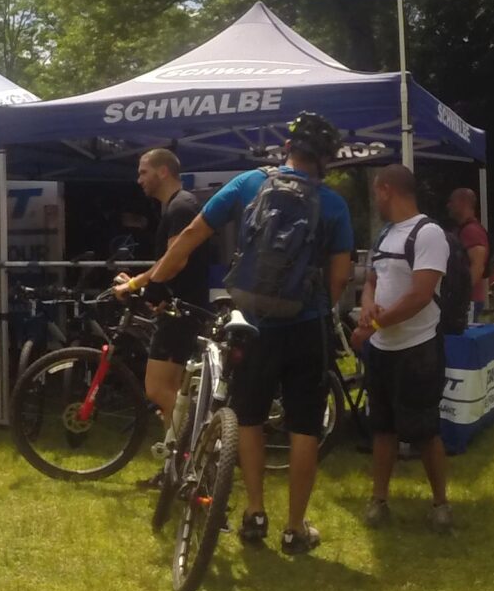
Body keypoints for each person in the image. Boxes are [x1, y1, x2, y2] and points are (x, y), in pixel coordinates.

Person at [127, 112, 356, 556]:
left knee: (248, 418)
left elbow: (191, 235)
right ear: (325, 159)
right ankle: (294, 528)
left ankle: (254, 512)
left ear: (286, 149)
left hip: (250, 324)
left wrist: (154, 283)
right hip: (306, 326)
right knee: (304, 427)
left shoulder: (250, 183)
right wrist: (318, 306)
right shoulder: (332, 205)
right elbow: (340, 277)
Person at [356, 164, 454, 534]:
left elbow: (419, 296)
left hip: (417, 349)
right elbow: (372, 279)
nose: (375, 199)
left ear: (385, 190)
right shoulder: (384, 235)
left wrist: (374, 326)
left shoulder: (428, 233)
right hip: (382, 348)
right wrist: (368, 306)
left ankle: (440, 504)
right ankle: (378, 500)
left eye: (376, 192)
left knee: (425, 430)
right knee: (381, 427)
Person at [113, 148, 209, 442]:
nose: (139, 179)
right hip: (177, 306)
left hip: (182, 311)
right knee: (173, 392)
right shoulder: (176, 206)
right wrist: (143, 285)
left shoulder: (181, 208)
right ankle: (175, 468)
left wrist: (134, 286)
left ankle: (200, 448)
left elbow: (173, 262)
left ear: (163, 171)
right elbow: (168, 262)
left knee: (157, 390)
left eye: (143, 172)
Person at [446, 186, 493, 318]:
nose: (448, 205)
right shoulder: (464, 230)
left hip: (469, 301)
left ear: (463, 203)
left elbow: (478, 266)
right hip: (469, 299)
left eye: (452, 201)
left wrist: (460, 295)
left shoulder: (471, 231)